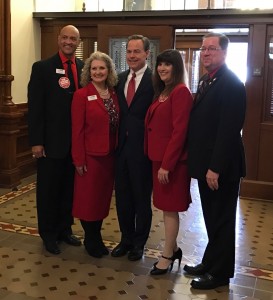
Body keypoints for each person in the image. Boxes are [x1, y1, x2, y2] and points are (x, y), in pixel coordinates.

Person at [184, 33, 246, 289]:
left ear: (223, 53)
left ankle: (219, 274)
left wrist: (214, 168)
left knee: (221, 220)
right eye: (203, 48)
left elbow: (228, 130)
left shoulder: (231, 84)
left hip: (221, 168)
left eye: (211, 48)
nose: (206, 53)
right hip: (207, 165)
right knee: (211, 218)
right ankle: (210, 262)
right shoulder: (208, 79)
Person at [28, 25, 84, 255]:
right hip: (50, 144)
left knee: (68, 189)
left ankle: (64, 229)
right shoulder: (43, 68)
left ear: (78, 42)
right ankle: (48, 234)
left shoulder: (82, 68)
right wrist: (36, 141)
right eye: (65, 37)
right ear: (58, 39)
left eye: (73, 39)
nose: (69, 42)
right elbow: (35, 108)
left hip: (75, 145)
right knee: (48, 191)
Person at [145, 49, 193, 275]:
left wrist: (167, 164)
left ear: (177, 67)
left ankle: (167, 256)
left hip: (172, 163)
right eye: (160, 64)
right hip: (158, 159)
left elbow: (179, 131)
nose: (162, 68)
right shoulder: (164, 91)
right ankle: (173, 249)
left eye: (167, 64)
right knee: (164, 207)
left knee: (170, 209)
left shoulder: (181, 92)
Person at [71, 51, 119, 258]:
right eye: (94, 68)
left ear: (108, 71)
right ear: (88, 72)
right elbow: (77, 130)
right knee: (87, 201)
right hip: (89, 157)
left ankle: (96, 235)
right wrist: (78, 159)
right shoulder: (81, 95)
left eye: (102, 68)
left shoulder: (114, 94)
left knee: (101, 200)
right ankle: (91, 238)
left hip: (109, 157)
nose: (98, 72)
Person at [111, 34, 154, 261]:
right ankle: (125, 240)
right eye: (129, 51)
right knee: (123, 198)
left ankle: (139, 243)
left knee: (141, 199)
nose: (132, 56)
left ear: (147, 54)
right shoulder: (118, 79)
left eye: (137, 51)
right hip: (121, 149)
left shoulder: (155, 80)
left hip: (143, 150)